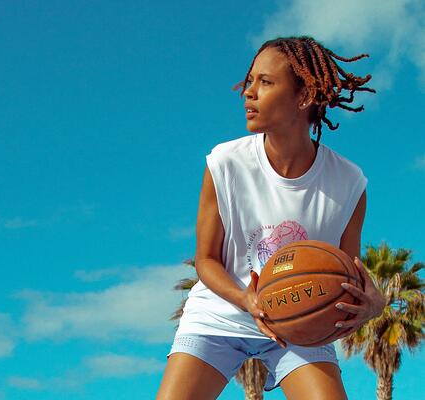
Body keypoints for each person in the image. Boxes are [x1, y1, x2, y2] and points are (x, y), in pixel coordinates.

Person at [156, 36, 386, 400]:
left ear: (304, 96)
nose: (249, 92)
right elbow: (206, 260)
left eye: (265, 82)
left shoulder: (348, 183)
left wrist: (375, 304)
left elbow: (349, 273)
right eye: (249, 81)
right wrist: (247, 299)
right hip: (222, 312)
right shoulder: (225, 163)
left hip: (299, 321)